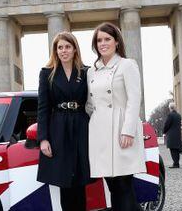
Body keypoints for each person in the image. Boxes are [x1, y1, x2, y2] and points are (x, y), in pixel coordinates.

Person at [86, 22, 145, 211]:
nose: (103, 43)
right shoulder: (91, 71)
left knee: (123, 185)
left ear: (117, 42)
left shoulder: (127, 65)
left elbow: (134, 100)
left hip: (121, 129)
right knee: (112, 186)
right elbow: (89, 103)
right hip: (100, 132)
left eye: (107, 39)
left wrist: (128, 131)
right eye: (99, 40)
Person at [37, 32, 90, 211]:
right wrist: (43, 139)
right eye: (60, 47)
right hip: (58, 129)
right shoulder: (46, 74)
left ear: (75, 49)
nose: (63, 51)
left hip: (82, 127)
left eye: (67, 47)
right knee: (64, 182)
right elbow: (43, 108)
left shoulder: (86, 72)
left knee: (81, 181)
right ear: (55, 50)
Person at [163, 102, 182, 168]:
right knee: (176, 149)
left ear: (170, 108)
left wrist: (164, 131)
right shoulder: (178, 115)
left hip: (171, 135)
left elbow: (167, 124)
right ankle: (177, 163)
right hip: (178, 134)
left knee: (172, 149)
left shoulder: (170, 115)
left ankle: (175, 163)